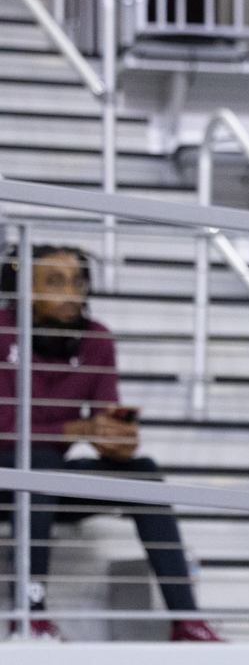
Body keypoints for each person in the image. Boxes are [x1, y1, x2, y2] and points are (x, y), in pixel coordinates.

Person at [0, 245, 222, 641]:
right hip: (9, 480)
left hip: (47, 479)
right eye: (55, 282)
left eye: (79, 282)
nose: (71, 292)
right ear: (26, 290)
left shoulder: (97, 339)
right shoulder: (2, 330)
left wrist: (117, 441)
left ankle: (187, 621)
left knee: (143, 474)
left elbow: (104, 416)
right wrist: (81, 430)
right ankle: (28, 616)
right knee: (41, 464)